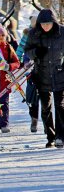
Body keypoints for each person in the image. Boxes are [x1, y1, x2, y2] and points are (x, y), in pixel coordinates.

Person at [25, 9, 64, 148]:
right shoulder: (34, 33)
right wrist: (36, 52)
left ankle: (61, 136)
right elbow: (27, 51)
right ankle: (50, 136)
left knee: (60, 106)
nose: (45, 26)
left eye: (48, 24)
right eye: (43, 24)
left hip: (60, 74)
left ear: (53, 22)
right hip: (41, 75)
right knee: (46, 107)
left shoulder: (62, 33)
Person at [0, 25, 20, 133]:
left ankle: (4, 123)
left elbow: (17, 62)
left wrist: (9, 66)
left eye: (3, 35)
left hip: (5, 80)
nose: (0, 37)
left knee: (4, 102)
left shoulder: (8, 48)